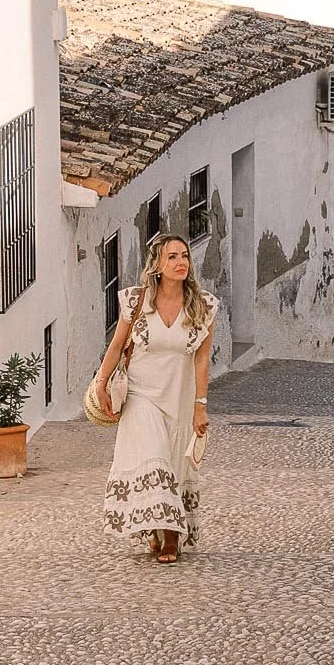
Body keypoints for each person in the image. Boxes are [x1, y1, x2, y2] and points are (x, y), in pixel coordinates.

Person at [94, 233, 216, 562]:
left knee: (175, 463)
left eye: (184, 256)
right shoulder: (136, 301)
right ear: (157, 266)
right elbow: (118, 344)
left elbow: (202, 358)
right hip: (141, 394)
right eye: (172, 257)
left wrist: (200, 406)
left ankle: (170, 533)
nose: (181, 263)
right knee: (154, 455)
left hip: (179, 394)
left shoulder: (204, 305)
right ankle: (164, 531)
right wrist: (102, 383)